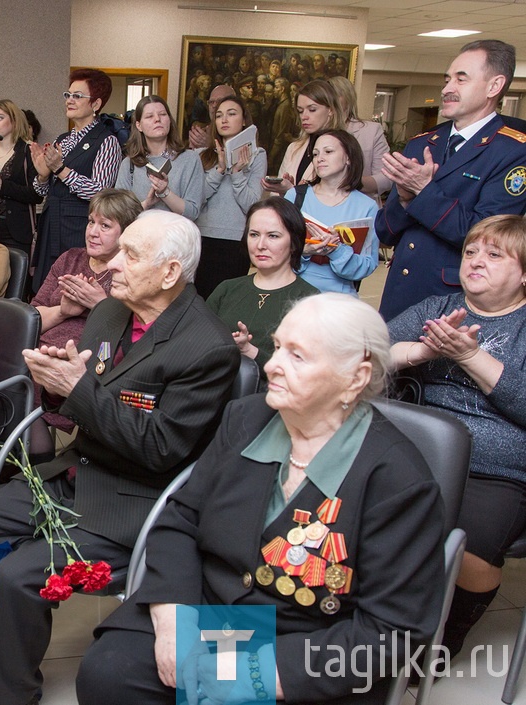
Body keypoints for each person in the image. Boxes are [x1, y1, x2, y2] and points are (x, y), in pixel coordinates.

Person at [0, 210, 240, 705]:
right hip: (76, 471)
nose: (112, 263)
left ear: (171, 272)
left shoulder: (207, 348)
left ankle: (1, 695)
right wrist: (54, 385)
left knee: (15, 575)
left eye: (130, 255)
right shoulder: (111, 313)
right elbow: (81, 405)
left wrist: (79, 390)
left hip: (136, 499)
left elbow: (159, 450)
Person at [77, 293, 446, 705]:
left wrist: (259, 673)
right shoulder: (246, 419)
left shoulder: (397, 481)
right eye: (278, 346)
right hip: (206, 605)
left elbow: (393, 630)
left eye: (298, 356)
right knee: (109, 674)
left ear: (356, 378)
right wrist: (174, 618)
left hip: (304, 640)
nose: (271, 365)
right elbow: (181, 519)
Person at [388, 214, 526, 658]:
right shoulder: (436, 308)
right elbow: (368, 351)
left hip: (496, 469)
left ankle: (443, 641)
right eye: (470, 251)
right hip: (422, 446)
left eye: (493, 254)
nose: (476, 261)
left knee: (466, 551)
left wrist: (471, 356)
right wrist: (419, 352)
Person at [376, 39, 526, 321]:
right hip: (400, 294)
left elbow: (489, 238)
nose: (446, 89)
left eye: (461, 79)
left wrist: (423, 191)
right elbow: (385, 232)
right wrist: (406, 201)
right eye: (447, 80)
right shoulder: (423, 143)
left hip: (454, 302)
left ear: (494, 86)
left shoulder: (513, 151)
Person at [28, 188, 142, 458]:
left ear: (126, 233)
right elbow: (32, 319)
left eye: (105, 225)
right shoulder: (70, 259)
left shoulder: (132, 271)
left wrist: (101, 305)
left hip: (95, 357)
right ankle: (30, 454)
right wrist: (63, 311)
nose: (92, 231)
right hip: (43, 349)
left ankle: (40, 455)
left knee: (34, 377)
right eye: (91, 222)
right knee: (13, 368)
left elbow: (137, 336)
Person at [30, 69, 123, 291]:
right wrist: (42, 174)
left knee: (73, 289)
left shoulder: (107, 142)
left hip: (78, 227)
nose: (70, 101)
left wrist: (60, 170)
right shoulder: (64, 139)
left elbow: (101, 192)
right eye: (68, 95)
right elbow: (42, 191)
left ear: (96, 104)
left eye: (77, 96)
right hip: (51, 224)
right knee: (45, 288)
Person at [207, 199, 317, 373]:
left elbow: (307, 371)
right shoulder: (227, 289)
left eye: (273, 236)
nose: (260, 245)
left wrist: (251, 352)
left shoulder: (310, 301)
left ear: (294, 242)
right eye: (254, 235)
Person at [284, 129, 379, 294]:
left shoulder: (367, 206)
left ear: (348, 157)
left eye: (328, 152)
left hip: (340, 300)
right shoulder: (295, 196)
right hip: (293, 295)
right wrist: (304, 251)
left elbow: (367, 265)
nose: (319, 158)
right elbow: (276, 249)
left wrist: (337, 250)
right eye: (315, 154)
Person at [195, 95, 268, 297]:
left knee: (226, 304)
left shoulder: (257, 155)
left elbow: (251, 204)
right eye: (219, 116)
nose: (224, 120)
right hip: (201, 238)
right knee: (199, 303)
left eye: (231, 114)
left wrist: (237, 172)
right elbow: (195, 200)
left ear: (244, 120)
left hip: (235, 242)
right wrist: (219, 170)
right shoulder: (201, 155)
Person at [115, 95, 204, 223]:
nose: (157, 119)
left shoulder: (190, 159)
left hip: (176, 238)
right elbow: (120, 213)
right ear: (139, 125)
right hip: (140, 237)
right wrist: (146, 204)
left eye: (162, 114)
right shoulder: (129, 164)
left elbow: (193, 212)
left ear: (169, 120)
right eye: (149, 116)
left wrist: (165, 192)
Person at [0, 98, 42, 254]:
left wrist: (2, 186)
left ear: (15, 122)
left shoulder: (27, 151)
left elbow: (36, 194)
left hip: (16, 232)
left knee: (17, 276)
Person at [261, 79, 344, 198]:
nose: (304, 117)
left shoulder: (343, 148)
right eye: (300, 111)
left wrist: (292, 190)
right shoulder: (294, 148)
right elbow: (276, 199)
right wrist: (283, 191)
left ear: (330, 110)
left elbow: (335, 200)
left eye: (312, 110)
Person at [327, 75, 390, 199]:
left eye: (336, 95)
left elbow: (386, 178)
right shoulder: (316, 131)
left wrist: (351, 183)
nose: (331, 101)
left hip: (359, 206)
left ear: (348, 98)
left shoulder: (371, 131)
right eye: (326, 97)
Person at [187, 83, 236, 150]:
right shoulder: (203, 132)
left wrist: (210, 146)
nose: (214, 106)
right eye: (211, 102)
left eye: (219, 101)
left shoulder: (242, 133)